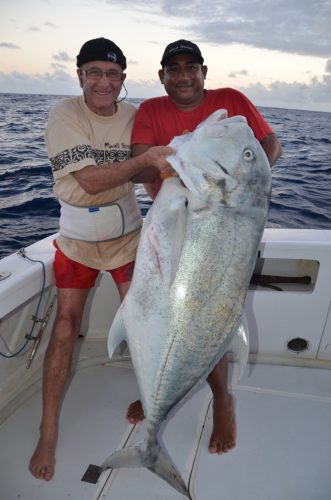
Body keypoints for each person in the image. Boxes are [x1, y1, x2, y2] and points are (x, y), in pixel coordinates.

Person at [29, 37, 174, 481]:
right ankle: (48, 432)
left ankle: (152, 406)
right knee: (65, 329)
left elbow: (155, 168)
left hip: (128, 236)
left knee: (147, 324)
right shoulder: (64, 115)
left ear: (123, 79)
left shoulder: (136, 116)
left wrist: (164, 184)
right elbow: (90, 182)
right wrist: (146, 161)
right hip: (76, 240)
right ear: (80, 76)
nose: (103, 82)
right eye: (94, 72)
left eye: (112, 74)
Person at [128, 39, 282, 455]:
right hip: (180, 216)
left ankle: (222, 401)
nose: (183, 75)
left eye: (191, 67)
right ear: (162, 75)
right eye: (173, 68)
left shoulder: (231, 100)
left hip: (219, 226)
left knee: (209, 317)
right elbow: (143, 163)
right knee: (154, 315)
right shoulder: (150, 111)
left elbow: (270, 145)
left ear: (203, 71)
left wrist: (247, 175)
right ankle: (157, 391)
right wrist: (175, 185)